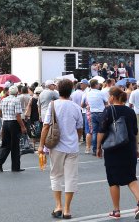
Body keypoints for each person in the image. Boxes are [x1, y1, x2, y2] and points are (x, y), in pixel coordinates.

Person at [97, 87, 139, 220]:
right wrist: (136, 149)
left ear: (113, 97)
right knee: (131, 177)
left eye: (109, 96)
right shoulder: (130, 111)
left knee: (113, 180)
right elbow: (135, 132)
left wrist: (97, 147)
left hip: (113, 149)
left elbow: (101, 130)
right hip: (129, 147)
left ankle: (116, 210)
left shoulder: (108, 110)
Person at [39, 79, 83, 219]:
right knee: (71, 178)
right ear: (71, 91)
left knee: (56, 175)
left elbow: (46, 126)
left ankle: (58, 206)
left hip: (56, 146)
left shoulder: (53, 105)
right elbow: (80, 128)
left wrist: (41, 145)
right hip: (72, 147)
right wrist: (75, 138)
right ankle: (67, 209)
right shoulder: (76, 107)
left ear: (58, 90)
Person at [0, 85, 27, 173]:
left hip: (5, 122)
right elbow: (18, 115)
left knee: (5, 145)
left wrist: (4, 116)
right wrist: (23, 126)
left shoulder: (4, 99)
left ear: (8, 92)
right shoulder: (16, 100)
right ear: (17, 93)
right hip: (14, 123)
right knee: (15, 146)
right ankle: (15, 167)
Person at [86, 79, 109, 156]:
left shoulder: (88, 93)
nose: (99, 85)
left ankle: (95, 149)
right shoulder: (100, 93)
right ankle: (103, 147)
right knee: (103, 131)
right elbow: (106, 102)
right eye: (98, 84)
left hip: (93, 113)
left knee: (95, 132)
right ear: (95, 85)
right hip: (101, 113)